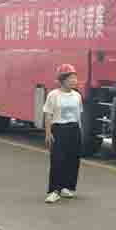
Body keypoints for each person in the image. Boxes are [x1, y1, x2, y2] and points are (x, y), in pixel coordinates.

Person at [43, 64, 84, 204]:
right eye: (71, 78)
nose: (74, 81)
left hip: (74, 129)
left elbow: (78, 115)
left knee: (73, 159)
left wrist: (80, 131)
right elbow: (48, 114)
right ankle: (54, 191)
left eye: (75, 78)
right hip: (59, 129)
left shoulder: (77, 96)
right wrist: (48, 133)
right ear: (62, 80)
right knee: (57, 160)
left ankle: (68, 187)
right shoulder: (53, 95)